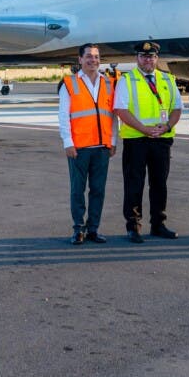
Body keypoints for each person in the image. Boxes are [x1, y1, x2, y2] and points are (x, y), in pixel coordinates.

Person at [114, 41, 183, 243]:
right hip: (136, 140)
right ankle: (133, 226)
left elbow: (177, 108)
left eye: (151, 56)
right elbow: (121, 110)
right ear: (137, 58)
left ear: (156, 58)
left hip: (162, 140)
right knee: (134, 183)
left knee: (159, 184)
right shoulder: (127, 80)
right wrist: (144, 129)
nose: (148, 60)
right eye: (144, 56)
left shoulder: (168, 79)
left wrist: (167, 126)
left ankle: (158, 224)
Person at [58, 43, 117, 245]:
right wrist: (68, 142)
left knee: (98, 190)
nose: (94, 60)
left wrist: (113, 141)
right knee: (77, 190)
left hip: (102, 147)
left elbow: (112, 115)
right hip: (79, 147)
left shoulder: (108, 83)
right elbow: (63, 116)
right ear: (80, 59)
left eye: (97, 56)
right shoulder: (69, 83)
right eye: (89, 56)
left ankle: (93, 229)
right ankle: (78, 229)